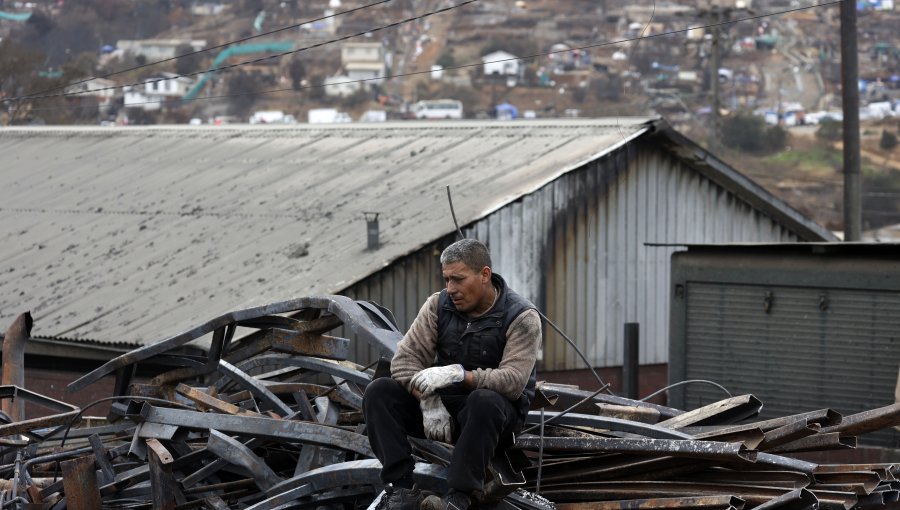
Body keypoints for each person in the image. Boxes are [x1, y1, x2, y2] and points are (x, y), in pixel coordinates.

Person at [363, 239, 542, 510]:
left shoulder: (522, 316)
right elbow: (404, 362)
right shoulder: (438, 305)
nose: (451, 289)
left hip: (492, 419)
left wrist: (461, 375)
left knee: (485, 401)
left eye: (458, 279)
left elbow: (513, 382)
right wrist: (427, 399)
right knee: (379, 392)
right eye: (446, 279)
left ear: (484, 275)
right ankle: (401, 489)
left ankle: (459, 497)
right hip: (441, 412)